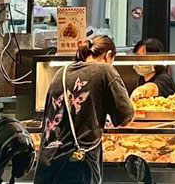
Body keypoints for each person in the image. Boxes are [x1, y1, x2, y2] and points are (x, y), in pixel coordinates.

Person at [34, 35, 135, 184]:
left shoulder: (60, 72)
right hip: (78, 166)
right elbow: (125, 118)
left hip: (48, 163)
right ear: (108, 56)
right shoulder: (105, 70)